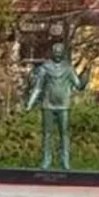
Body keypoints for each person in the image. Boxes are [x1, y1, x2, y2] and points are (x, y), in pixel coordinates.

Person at [24, 38, 85, 171]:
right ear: (52, 53)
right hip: (48, 106)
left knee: (64, 134)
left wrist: (86, 76)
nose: (57, 54)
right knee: (47, 134)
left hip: (64, 106)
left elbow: (79, 85)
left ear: (63, 53)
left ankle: (65, 162)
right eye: (55, 52)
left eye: (60, 52)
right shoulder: (45, 68)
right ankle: (46, 161)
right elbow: (38, 88)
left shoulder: (68, 68)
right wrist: (30, 104)